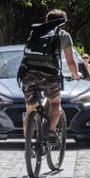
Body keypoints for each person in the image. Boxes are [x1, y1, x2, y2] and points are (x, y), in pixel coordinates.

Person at [20, 9, 80, 137]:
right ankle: (51, 131)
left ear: (47, 21)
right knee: (55, 103)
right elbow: (70, 62)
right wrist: (76, 75)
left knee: (30, 109)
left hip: (28, 73)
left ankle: (29, 146)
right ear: (63, 22)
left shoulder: (35, 31)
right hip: (49, 75)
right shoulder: (63, 35)